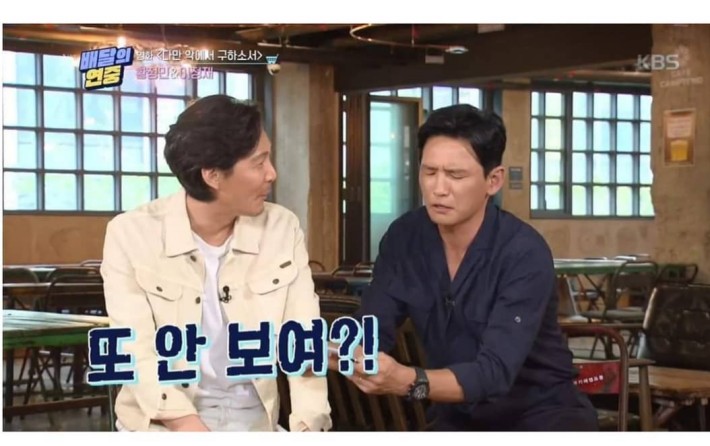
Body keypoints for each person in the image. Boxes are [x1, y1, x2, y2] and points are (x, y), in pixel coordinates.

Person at [335, 104, 598, 431]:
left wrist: (408, 380)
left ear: (493, 180)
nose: (438, 189)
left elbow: (494, 373)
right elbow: (373, 327)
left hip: (542, 415)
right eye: (429, 172)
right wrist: (334, 349)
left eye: (455, 175)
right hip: (456, 416)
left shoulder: (523, 253)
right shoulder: (405, 237)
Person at [101, 95, 331, 432]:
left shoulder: (282, 228)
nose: (272, 174)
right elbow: (135, 349)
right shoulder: (130, 234)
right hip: (163, 423)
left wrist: (309, 427)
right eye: (259, 162)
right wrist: (188, 426)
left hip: (256, 423)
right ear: (212, 175)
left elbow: (304, 336)